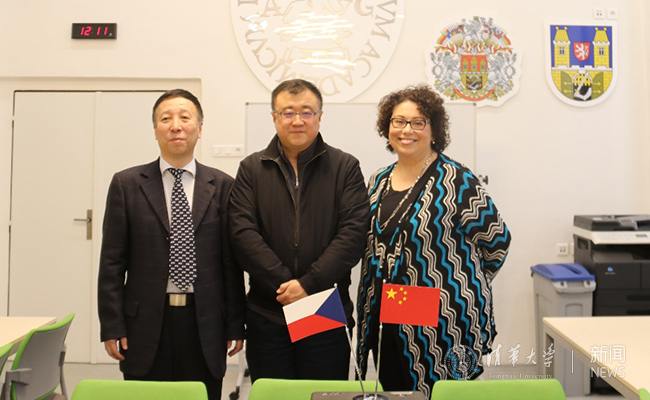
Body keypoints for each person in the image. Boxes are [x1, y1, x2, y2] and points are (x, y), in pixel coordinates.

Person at [357, 84, 512, 398]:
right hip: (387, 309)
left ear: (434, 129)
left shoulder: (458, 180)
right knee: (395, 390)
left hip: (444, 317)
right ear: (387, 126)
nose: (407, 130)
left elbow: (497, 241)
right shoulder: (378, 180)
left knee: (442, 393)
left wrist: (459, 283)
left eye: (418, 122)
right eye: (399, 121)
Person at [97, 89, 246, 400]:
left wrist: (235, 324)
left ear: (200, 128)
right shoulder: (127, 184)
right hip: (144, 324)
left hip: (204, 323)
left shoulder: (222, 186)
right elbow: (112, 263)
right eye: (166, 119)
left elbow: (229, 265)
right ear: (155, 130)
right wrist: (112, 325)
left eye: (185, 118)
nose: (176, 126)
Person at [229, 79, 369, 381]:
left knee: (321, 393)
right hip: (269, 309)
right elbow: (242, 233)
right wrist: (284, 285)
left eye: (306, 112)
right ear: (274, 117)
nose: (297, 120)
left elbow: (353, 234)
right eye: (288, 112)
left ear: (319, 116)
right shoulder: (252, 169)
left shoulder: (345, 167)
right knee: (273, 393)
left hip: (323, 307)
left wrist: (308, 284)